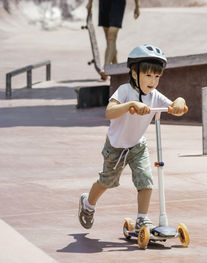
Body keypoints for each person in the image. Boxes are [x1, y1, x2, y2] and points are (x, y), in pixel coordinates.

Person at [78, 44, 187, 231]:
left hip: (137, 146)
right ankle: (88, 204)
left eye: (157, 76)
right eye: (148, 75)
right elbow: (110, 112)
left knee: (145, 179)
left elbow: (178, 107)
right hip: (116, 147)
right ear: (134, 73)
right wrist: (131, 104)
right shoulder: (124, 90)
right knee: (106, 182)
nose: (153, 81)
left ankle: (142, 218)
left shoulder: (154, 95)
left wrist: (179, 102)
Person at [86, 0, 140, 80]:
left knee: (111, 37)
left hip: (118, 3)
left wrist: (137, 5)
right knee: (110, 41)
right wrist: (90, 2)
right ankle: (117, 72)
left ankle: (106, 69)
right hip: (104, 3)